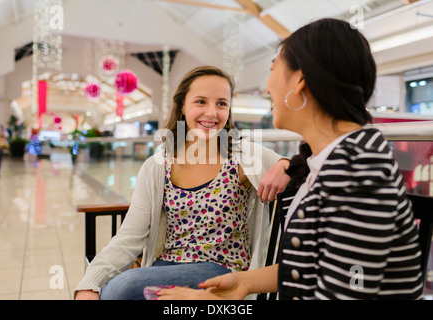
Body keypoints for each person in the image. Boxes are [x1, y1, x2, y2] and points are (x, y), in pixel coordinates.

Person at [157, 18, 424, 300]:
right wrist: (246, 282)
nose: (267, 85)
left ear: (299, 81)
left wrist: (208, 304)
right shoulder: (325, 162)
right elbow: (320, 268)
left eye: (273, 68)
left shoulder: (356, 174)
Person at [74, 66, 291, 300]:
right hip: (165, 266)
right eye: (200, 102)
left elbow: (306, 165)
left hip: (221, 272)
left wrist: (286, 164)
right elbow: (129, 237)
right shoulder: (158, 166)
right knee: (113, 289)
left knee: (122, 289)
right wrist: (89, 285)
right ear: (182, 106)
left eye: (221, 104)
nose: (212, 113)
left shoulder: (242, 156)